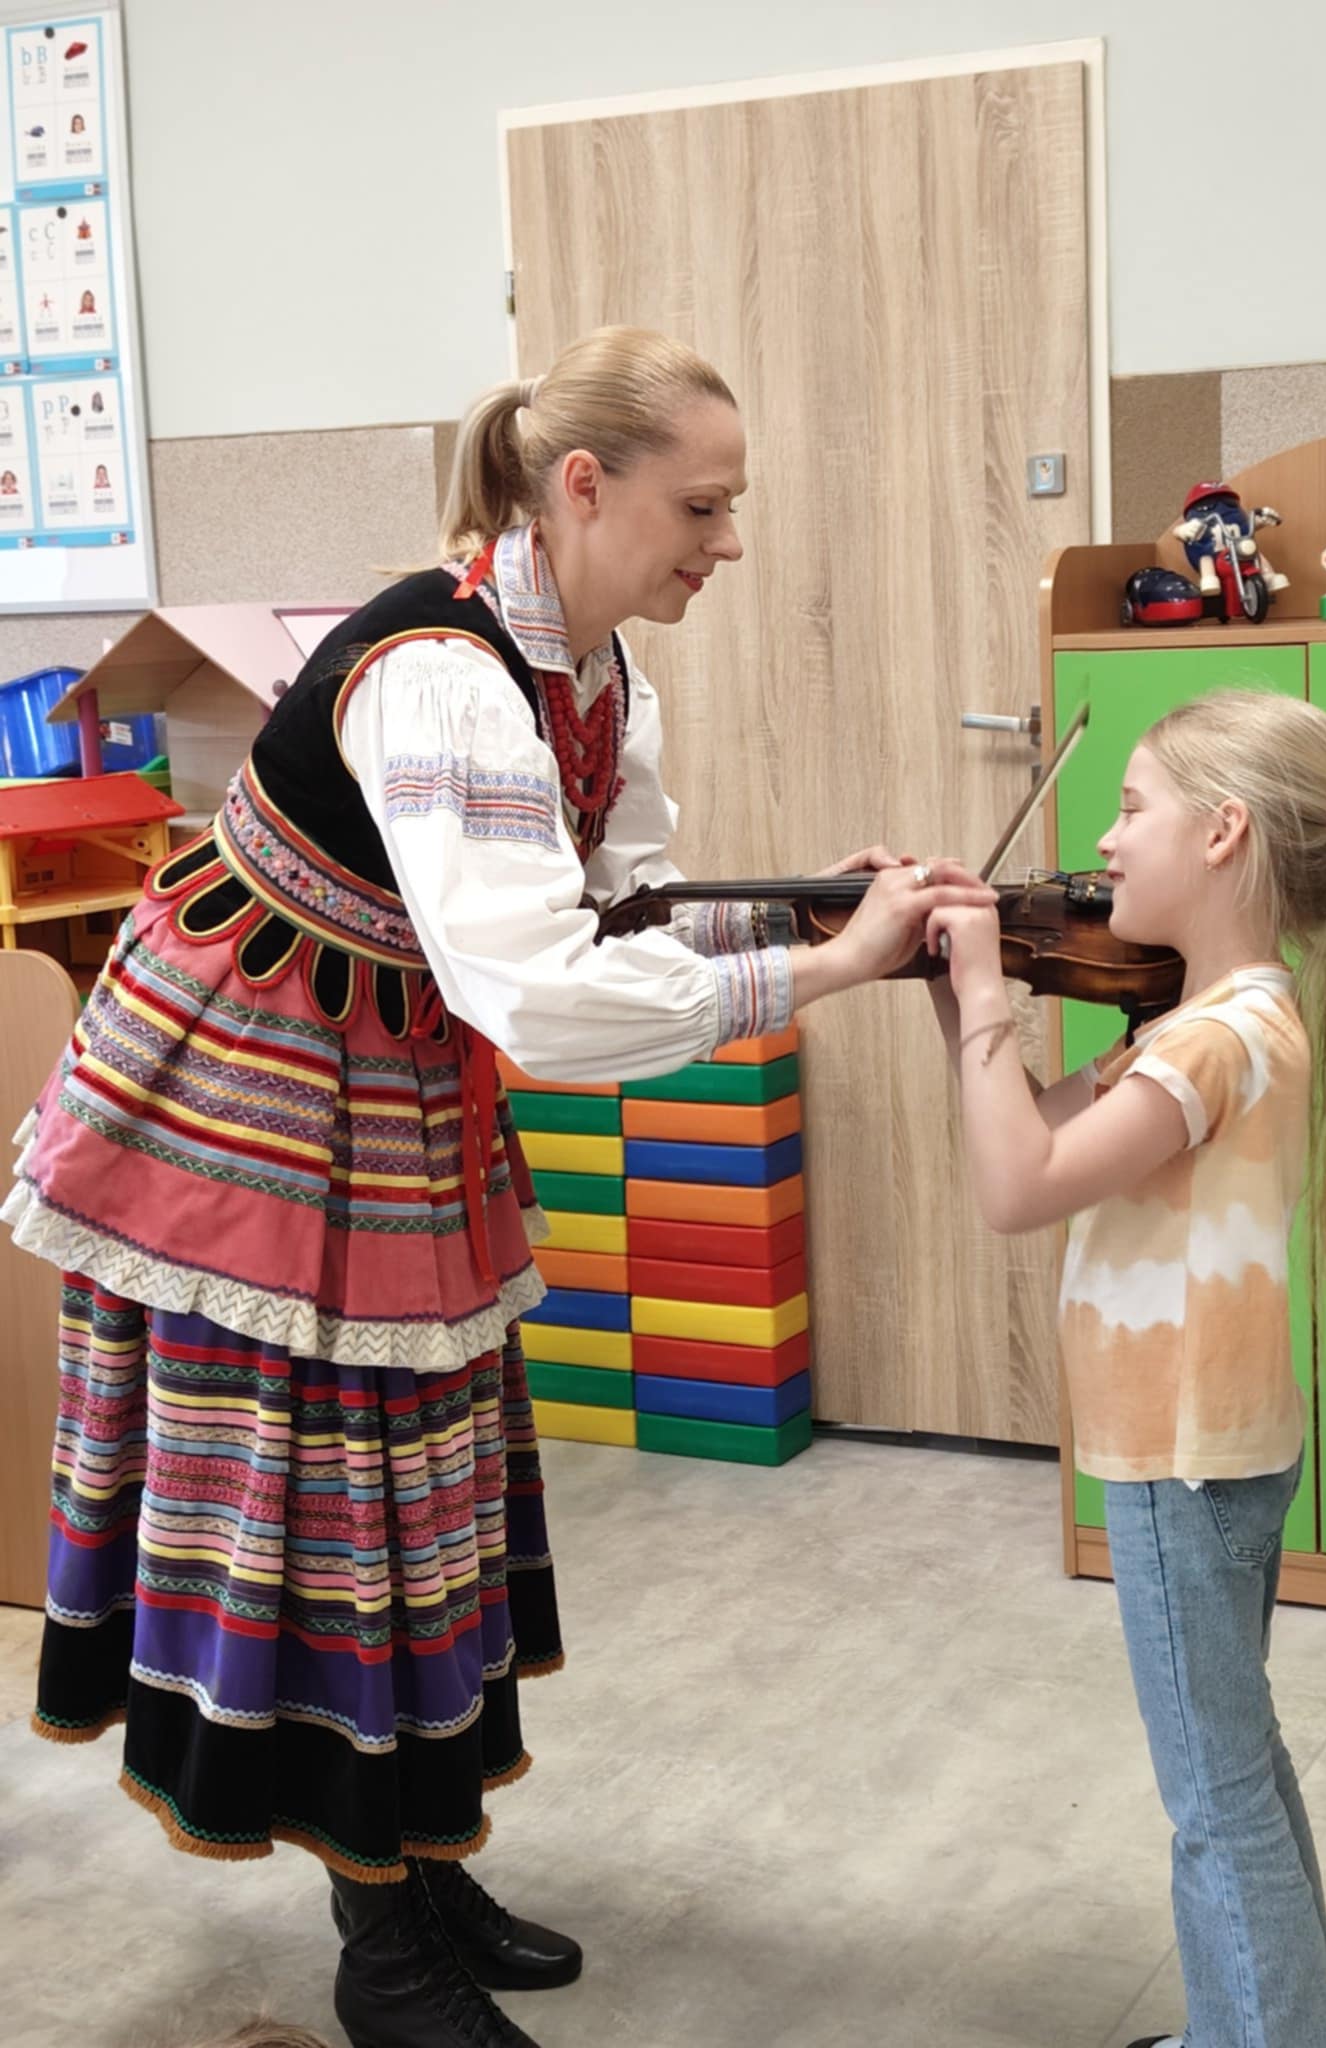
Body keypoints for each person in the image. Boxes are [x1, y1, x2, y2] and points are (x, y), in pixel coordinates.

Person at [4, 324, 989, 2048]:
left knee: (431, 1497)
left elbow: (615, 913)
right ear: (582, 487)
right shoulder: (443, 677)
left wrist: (798, 913)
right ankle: (381, 1947)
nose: (730, 542)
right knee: (341, 1518)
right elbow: (539, 994)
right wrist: (826, 974)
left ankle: (416, 1860)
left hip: (385, 1099)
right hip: (249, 1113)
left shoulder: (597, 678)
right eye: (704, 505)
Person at [920, 689, 1326, 2048]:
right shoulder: (1225, 1019)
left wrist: (987, 991)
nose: (1103, 839)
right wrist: (959, 996)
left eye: (1131, 807)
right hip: (1219, 1446)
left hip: (1182, 1454)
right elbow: (1027, 1132)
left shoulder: (1210, 1039)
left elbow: (1016, 1189)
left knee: (1214, 1795)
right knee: (1237, 1768)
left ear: (1222, 833)